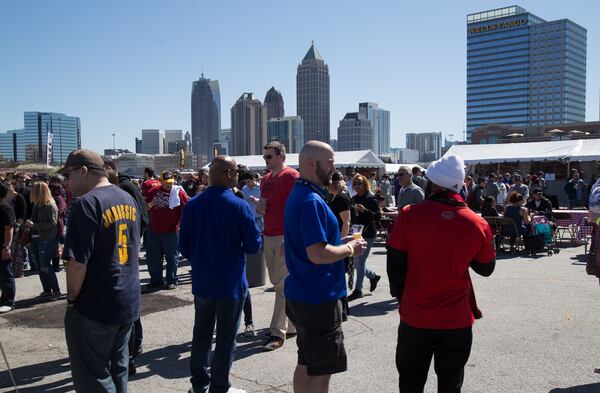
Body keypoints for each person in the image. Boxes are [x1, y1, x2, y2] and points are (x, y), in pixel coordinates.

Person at [387, 154, 496, 393]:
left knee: (410, 383)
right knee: (450, 384)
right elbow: (486, 268)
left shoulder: (408, 214)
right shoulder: (477, 223)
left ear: (431, 184)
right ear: (459, 186)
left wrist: (402, 297)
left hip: (416, 316)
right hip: (455, 318)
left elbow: (395, 264)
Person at [284, 141, 367, 393]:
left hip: (302, 293)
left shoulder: (301, 194)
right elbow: (318, 254)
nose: (334, 167)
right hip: (318, 297)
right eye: (329, 162)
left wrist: (339, 243)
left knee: (306, 362)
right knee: (321, 370)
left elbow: (315, 245)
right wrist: (351, 248)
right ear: (311, 163)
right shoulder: (311, 201)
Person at [179, 155, 262, 393]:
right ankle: (219, 386)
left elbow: (183, 245)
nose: (238, 175)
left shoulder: (193, 204)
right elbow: (254, 245)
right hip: (231, 282)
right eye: (236, 172)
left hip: (203, 280)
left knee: (202, 334)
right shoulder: (239, 205)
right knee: (226, 338)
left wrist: (201, 259)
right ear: (228, 174)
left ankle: (199, 384)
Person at [60, 149, 141, 391]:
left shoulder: (86, 203)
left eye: (69, 175)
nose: (67, 182)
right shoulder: (127, 198)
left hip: (96, 302)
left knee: (93, 378)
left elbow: (76, 263)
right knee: (118, 371)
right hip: (127, 298)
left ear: (84, 171)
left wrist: (72, 299)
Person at [256, 141, 299, 351]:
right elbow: (262, 206)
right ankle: (290, 326)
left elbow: (297, 207)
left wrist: (292, 238)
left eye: (269, 156)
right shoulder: (265, 179)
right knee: (278, 282)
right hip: (269, 233)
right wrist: (260, 206)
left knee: (281, 285)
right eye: (264, 157)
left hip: (283, 235)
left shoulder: (291, 176)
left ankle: (277, 332)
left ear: (282, 155)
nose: (266, 160)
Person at [144, 171, 189, 291]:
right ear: (161, 181)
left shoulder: (178, 192)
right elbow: (144, 207)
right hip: (154, 230)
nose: (169, 185)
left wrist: (181, 224)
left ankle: (172, 280)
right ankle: (156, 281)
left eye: (170, 182)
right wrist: (151, 204)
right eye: (166, 183)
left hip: (171, 230)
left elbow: (187, 209)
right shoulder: (153, 191)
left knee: (172, 257)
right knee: (153, 257)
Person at [348, 174, 382, 301]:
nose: (357, 186)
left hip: (368, 234)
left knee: (359, 262)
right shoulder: (354, 198)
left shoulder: (370, 198)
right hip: (356, 233)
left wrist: (364, 210)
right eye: (355, 184)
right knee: (357, 263)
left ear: (365, 184)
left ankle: (358, 290)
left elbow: (378, 216)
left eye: (360, 183)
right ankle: (373, 277)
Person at [26, 181, 61, 298]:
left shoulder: (50, 205)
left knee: (45, 266)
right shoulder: (38, 204)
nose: (31, 191)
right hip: (36, 238)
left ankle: (56, 291)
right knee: (41, 267)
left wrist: (34, 225)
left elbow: (52, 224)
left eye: (33, 190)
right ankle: (47, 290)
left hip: (46, 239)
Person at [0, 182, 16, 314]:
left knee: (6, 273)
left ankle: (8, 301)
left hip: (3, 246)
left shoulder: (5, 207)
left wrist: (7, 247)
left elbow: (9, 228)